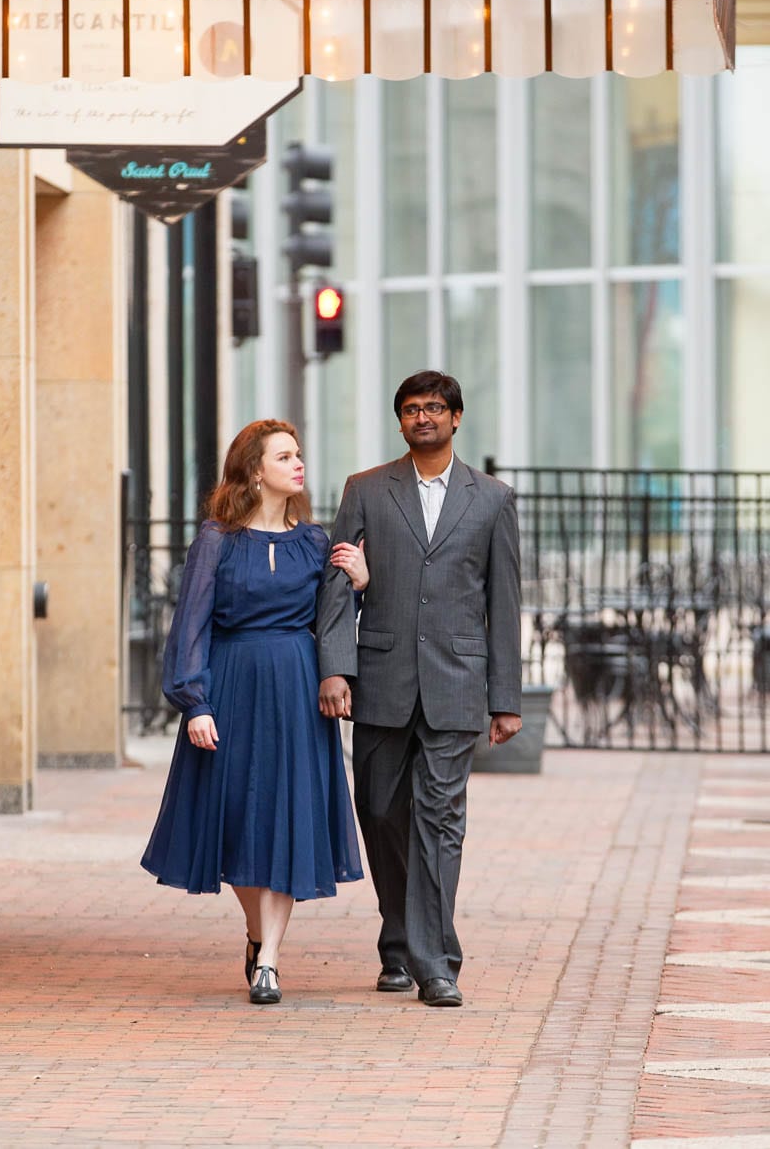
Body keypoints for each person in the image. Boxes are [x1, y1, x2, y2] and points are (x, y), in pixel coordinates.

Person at [141, 419, 365, 1005]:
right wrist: (195, 703)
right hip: (233, 684)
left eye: (298, 455)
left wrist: (362, 583)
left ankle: (269, 959)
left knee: (289, 815)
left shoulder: (315, 542)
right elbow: (190, 624)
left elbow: (334, 620)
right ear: (254, 469)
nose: (298, 465)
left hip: (296, 688)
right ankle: (254, 930)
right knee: (239, 819)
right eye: (284, 456)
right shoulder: (217, 540)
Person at [316, 370, 522, 1008]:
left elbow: (505, 602)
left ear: (457, 417)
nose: (423, 417)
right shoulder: (366, 490)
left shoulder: (491, 499)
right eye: (411, 409)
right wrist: (334, 667)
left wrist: (505, 698)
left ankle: (437, 964)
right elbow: (335, 585)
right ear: (399, 421)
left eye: (435, 408)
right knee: (379, 812)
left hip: (457, 683)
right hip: (380, 679)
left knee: (440, 818)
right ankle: (399, 940)